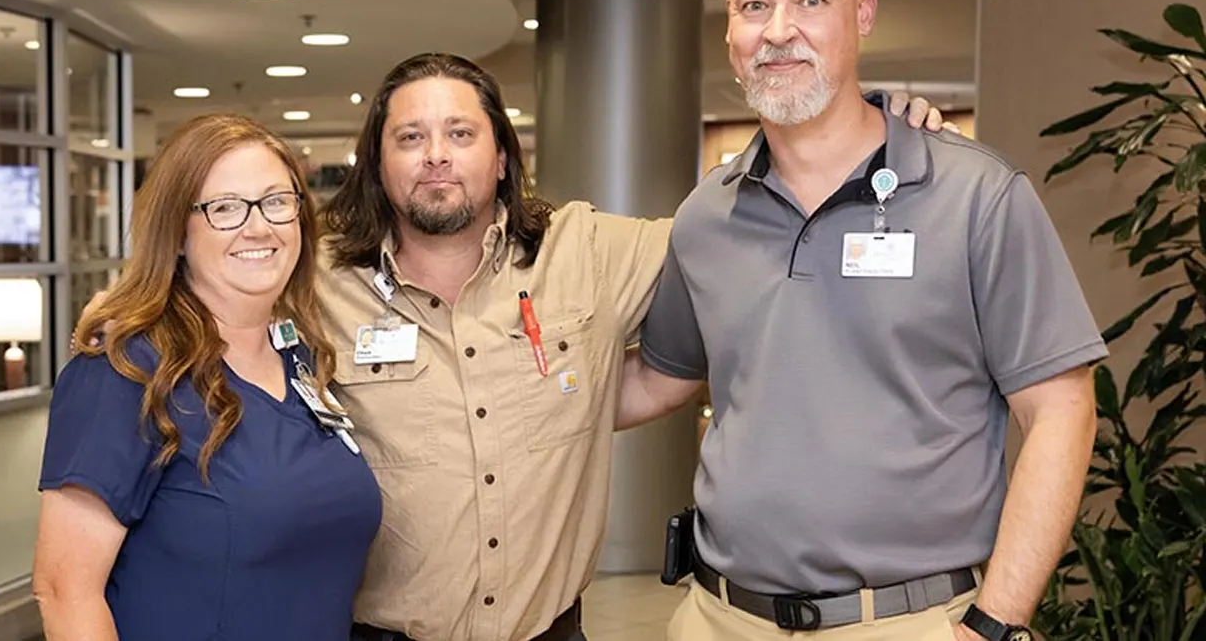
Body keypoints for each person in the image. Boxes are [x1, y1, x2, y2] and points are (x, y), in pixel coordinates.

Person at [317, 53, 950, 641]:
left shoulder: (585, 251)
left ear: (503, 157)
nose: (435, 156)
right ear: (376, 163)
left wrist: (860, 135)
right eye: (409, 137)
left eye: (460, 134)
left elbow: (743, 234)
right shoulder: (316, 283)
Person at [616, 0, 1105, 641]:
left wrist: (994, 624)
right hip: (719, 618)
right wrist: (496, 388)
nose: (779, 29)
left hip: (911, 623)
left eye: (811, 0)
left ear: (862, 13)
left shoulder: (975, 196)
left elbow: (1061, 410)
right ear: (730, 33)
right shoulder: (705, 217)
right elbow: (662, 377)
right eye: (755, 5)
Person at [32, 115, 381, 640]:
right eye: (224, 208)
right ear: (176, 232)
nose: (258, 227)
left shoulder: (301, 357)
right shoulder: (124, 371)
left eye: (276, 202)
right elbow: (64, 590)